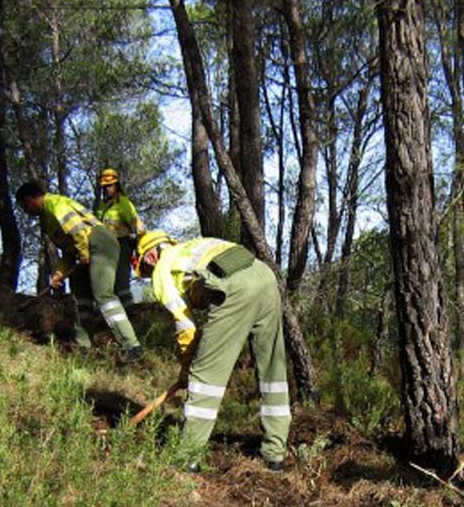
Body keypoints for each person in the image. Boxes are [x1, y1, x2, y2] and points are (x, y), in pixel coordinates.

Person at [134, 230, 290, 471]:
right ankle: (275, 454)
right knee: (273, 372)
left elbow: (185, 326)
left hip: (235, 288)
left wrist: (187, 367)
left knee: (205, 377)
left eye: (145, 270)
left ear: (151, 257)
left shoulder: (163, 269)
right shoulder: (194, 247)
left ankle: (187, 458)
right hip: (266, 277)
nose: (148, 276)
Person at [15, 180, 143, 361]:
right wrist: (59, 272)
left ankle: (132, 345)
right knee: (81, 298)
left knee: (103, 294)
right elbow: (68, 250)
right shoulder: (45, 220)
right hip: (81, 249)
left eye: (23, 207)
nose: (25, 211)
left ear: (29, 200)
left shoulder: (55, 204)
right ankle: (84, 346)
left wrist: (84, 253)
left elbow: (79, 232)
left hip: (99, 242)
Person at [95, 167, 144, 311]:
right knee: (106, 283)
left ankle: (130, 312)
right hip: (105, 249)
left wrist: (140, 247)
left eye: (109, 186)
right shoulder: (101, 206)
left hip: (122, 245)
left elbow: (137, 226)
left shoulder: (124, 203)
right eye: (104, 187)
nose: (107, 189)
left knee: (121, 281)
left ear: (116, 185)